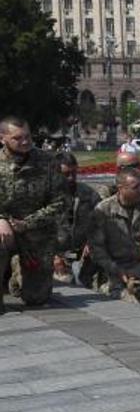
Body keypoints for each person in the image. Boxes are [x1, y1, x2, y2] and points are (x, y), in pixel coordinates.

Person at [0, 116, 70, 312]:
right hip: (4, 230)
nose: (25, 142)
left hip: (37, 233)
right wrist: (1, 220)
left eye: (28, 136)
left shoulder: (47, 162)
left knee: (36, 298)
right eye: (17, 138)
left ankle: (18, 277)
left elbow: (61, 201)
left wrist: (28, 223)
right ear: (2, 138)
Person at [88, 167, 140, 309]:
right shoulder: (103, 211)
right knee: (137, 305)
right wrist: (117, 270)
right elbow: (96, 250)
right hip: (116, 272)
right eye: (135, 187)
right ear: (121, 188)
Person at [52, 152, 101, 286]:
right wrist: (53, 257)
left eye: (74, 173)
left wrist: (91, 242)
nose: (71, 178)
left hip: (79, 254)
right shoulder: (44, 196)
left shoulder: (88, 194)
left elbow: (101, 223)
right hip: (53, 255)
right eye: (66, 174)